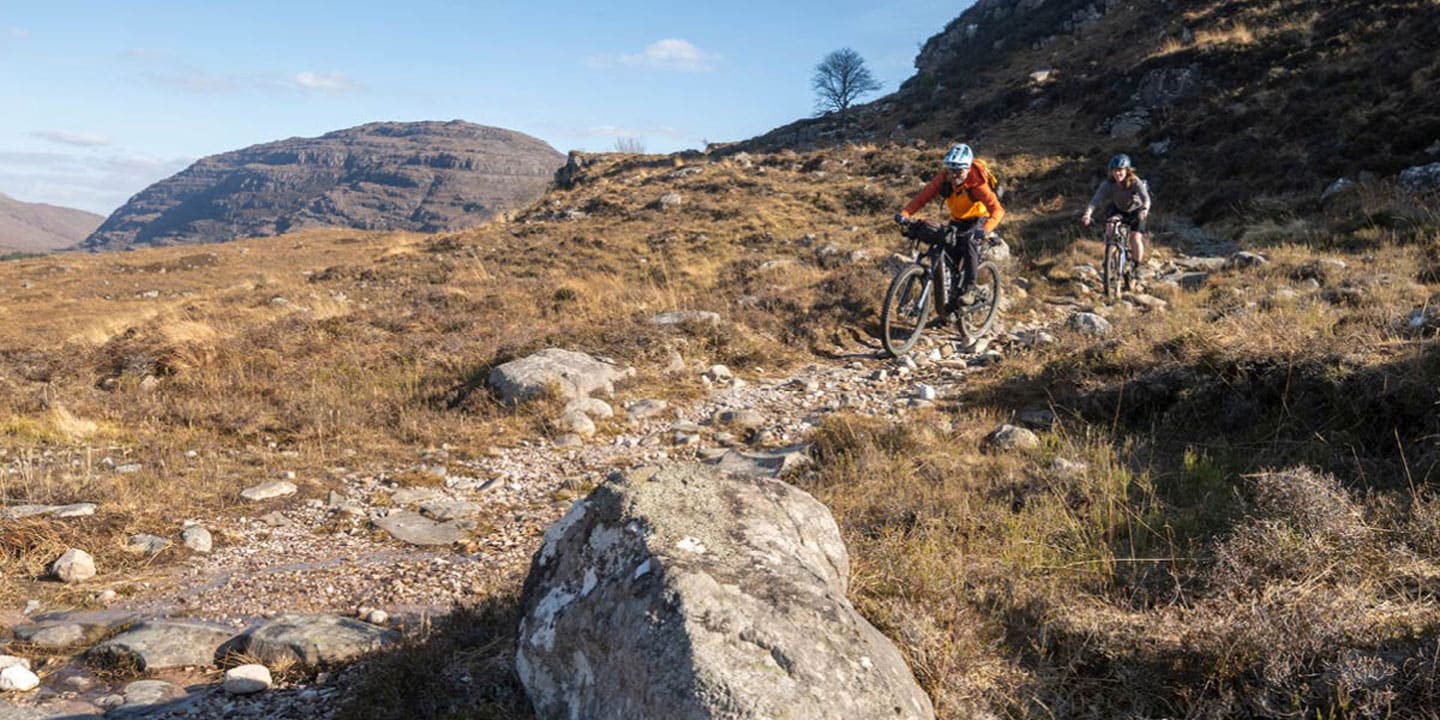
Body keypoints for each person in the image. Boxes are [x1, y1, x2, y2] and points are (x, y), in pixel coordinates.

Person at [893, 143, 1005, 310]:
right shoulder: (945, 177)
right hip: (957, 220)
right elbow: (923, 197)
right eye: (950, 169)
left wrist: (985, 230)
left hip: (977, 219)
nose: (953, 175)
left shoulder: (978, 184)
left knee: (969, 243)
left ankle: (970, 289)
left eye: (958, 171)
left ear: (967, 169)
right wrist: (905, 214)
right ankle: (950, 306)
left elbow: (997, 210)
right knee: (947, 251)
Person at [1081, 154, 1151, 277]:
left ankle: (1136, 266)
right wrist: (1087, 214)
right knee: (1110, 227)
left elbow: (1146, 198)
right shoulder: (1108, 184)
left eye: (1120, 170)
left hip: (1136, 211)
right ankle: (1109, 259)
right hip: (1119, 210)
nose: (1117, 174)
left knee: (1135, 238)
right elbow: (1095, 200)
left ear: (1127, 170)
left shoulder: (1135, 182)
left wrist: (1144, 209)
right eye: (1115, 171)